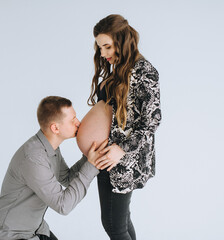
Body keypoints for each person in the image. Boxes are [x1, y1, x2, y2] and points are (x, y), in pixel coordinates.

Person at [0, 96, 108, 240]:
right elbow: (63, 205)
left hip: (36, 228)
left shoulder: (50, 148)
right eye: (73, 119)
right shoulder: (33, 158)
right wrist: (91, 165)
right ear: (55, 128)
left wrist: (89, 157)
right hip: (11, 235)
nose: (78, 123)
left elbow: (66, 178)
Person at [87, 14, 162, 239]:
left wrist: (121, 149)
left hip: (123, 161)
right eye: (100, 48)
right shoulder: (119, 69)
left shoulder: (144, 71)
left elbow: (151, 121)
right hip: (106, 157)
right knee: (118, 221)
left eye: (107, 46)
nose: (103, 54)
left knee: (114, 225)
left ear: (122, 40)